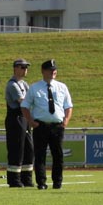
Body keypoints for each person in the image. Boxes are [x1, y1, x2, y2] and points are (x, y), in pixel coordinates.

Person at [21, 59, 73, 190]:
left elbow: (68, 106)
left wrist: (66, 121)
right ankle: (41, 182)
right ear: (43, 71)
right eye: (50, 70)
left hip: (57, 126)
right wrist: (31, 122)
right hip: (41, 126)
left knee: (58, 155)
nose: (53, 72)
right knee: (40, 155)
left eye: (54, 70)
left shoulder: (62, 87)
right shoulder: (34, 88)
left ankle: (57, 182)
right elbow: (25, 106)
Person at [3, 58, 33, 187]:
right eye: (22, 67)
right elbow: (23, 101)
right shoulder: (12, 84)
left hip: (24, 117)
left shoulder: (24, 84)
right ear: (15, 68)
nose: (25, 69)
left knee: (28, 148)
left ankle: (27, 178)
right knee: (17, 148)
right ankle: (14, 179)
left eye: (26, 67)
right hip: (15, 118)